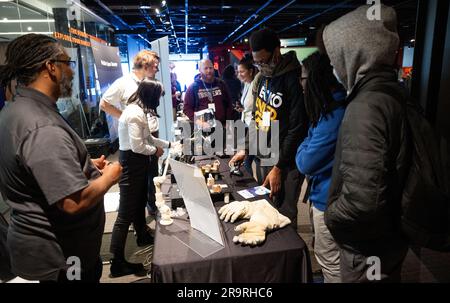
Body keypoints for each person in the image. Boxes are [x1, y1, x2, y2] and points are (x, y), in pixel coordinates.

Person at [0, 34, 122, 282]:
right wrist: (109, 177)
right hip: (64, 260)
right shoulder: (41, 126)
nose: (72, 71)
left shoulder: (16, 109)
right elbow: (72, 202)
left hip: (47, 252)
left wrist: (84, 166)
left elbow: (37, 170)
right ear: (50, 67)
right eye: (68, 63)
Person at [322, 5, 410, 282]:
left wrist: (331, 216)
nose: (335, 67)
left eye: (337, 57)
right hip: (388, 239)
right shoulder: (391, 93)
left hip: (367, 249)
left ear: (353, 53)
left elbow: (364, 203)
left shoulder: (366, 107)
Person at [230, 28, 308, 226]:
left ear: (277, 50)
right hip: (266, 154)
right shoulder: (263, 78)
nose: (262, 66)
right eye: (257, 62)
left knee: (285, 214)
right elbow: (259, 117)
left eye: (264, 61)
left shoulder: (293, 80)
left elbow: (297, 128)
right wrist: (246, 148)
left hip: (287, 161)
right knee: (267, 206)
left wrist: (279, 166)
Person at [110, 79, 174, 277]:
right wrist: (156, 150)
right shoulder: (134, 114)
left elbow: (148, 138)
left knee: (138, 203)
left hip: (137, 160)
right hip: (131, 161)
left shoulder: (138, 110)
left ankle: (142, 236)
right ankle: (116, 262)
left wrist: (169, 145)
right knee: (124, 215)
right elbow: (139, 146)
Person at [295, 51, 347, 283]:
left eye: (304, 78)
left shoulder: (333, 115)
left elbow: (305, 162)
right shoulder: (328, 108)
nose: (301, 84)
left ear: (315, 79)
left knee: (330, 259)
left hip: (328, 201)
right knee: (327, 255)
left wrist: (303, 146)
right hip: (325, 196)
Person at [100, 50, 160, 119]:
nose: (157, 70)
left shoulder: (148, 83)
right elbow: (104, 104)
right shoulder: (123, 82)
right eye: (155, 66)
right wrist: (126, 119)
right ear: (145, 65)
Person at [183, 59, 234, 125]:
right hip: (203, 129)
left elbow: (229, 105)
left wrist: (228, 123)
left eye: (210, 68)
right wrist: (198, 122)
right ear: (200, 70)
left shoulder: (221, 84)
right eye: (205, 68)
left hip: (222, 127)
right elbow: (186, 108)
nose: (209, 71)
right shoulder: (193, 87)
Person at [236, 55, 257, 175]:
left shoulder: (255, 84)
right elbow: (248, 106)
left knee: (247, 161)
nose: (240, 74)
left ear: (250, 71)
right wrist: (242, 109)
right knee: (246, 161)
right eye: (238, 71)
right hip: (247, 126)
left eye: (242, 71)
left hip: (255, 128)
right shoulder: (247, 84)